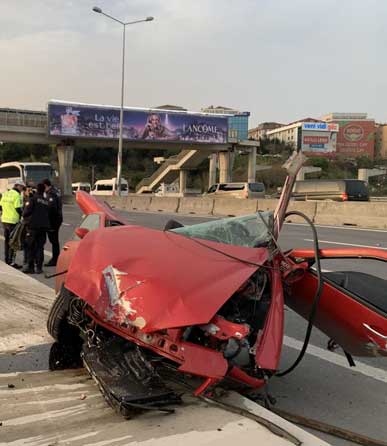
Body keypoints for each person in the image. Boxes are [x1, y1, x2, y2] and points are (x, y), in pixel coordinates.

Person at [22, 183, 50, 274]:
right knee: (40, 247)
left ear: (37, 190)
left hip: (33, 227)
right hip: (43, 227)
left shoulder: (33, 199)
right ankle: (39, 267)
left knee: (31, 247)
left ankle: (30, 267)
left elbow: (26, 212)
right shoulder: (46, 201)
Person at [0, 180, 25, 268]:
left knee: (7, 241)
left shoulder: (6, 193)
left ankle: (7, 259)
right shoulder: (17, 195)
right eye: (22, 187)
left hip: (4, 220)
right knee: (14, 241)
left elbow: (1, 206)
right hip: (13, 221)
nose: (22, 189)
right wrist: (24, 216)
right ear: (17, 186)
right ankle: (12, 262)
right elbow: (18, 208)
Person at [42, 178, 63, 267]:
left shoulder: (51, 194)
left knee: (54, 241)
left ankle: (55, 259)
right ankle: (56, 258)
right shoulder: (56, 191)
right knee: (55, 241)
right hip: (57, 219)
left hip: (53, 221)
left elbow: (51, 208)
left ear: (45, 185)